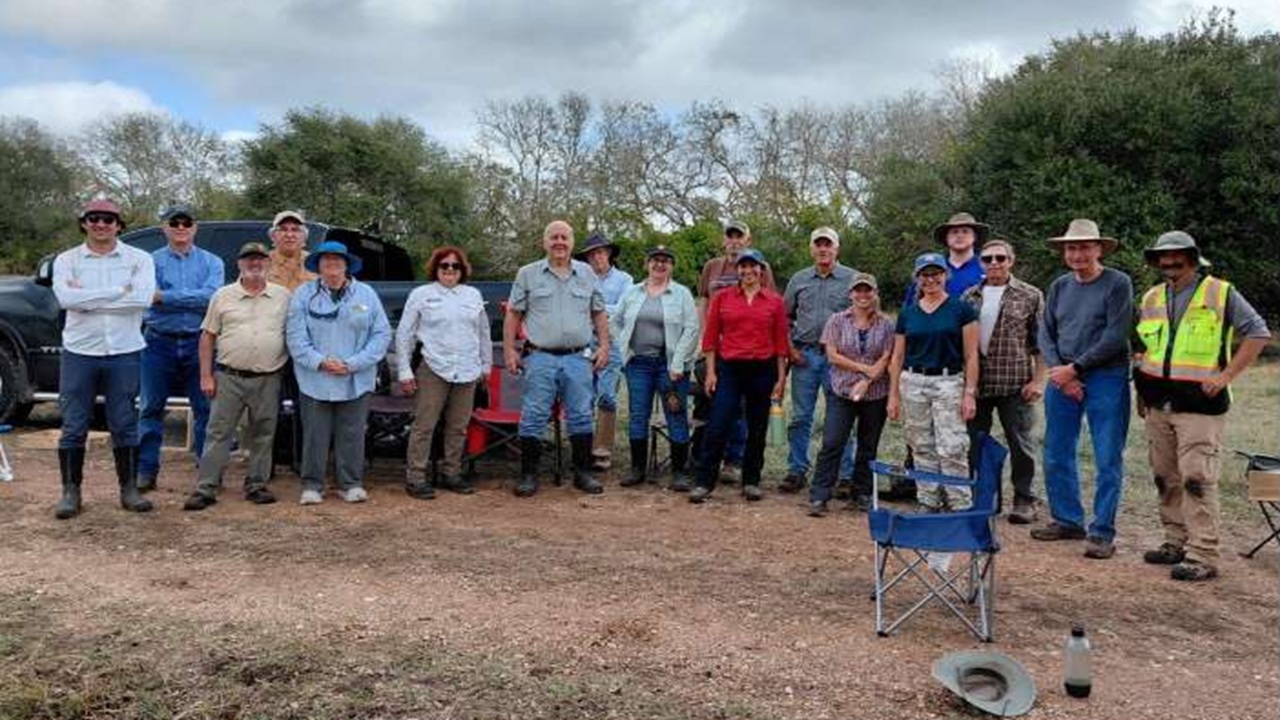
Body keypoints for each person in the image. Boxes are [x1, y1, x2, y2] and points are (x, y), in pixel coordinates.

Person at [1134, 231, 1271, 581]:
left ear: (1193, 258)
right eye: (1163, 256)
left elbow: (1258, 333)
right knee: (1165, 477)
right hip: (1157, 403)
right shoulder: (1151, 297)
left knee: (1198, 479)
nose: (1169, 261)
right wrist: (1141, 394)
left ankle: (1203, 553)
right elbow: (1143, 349)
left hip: (1200, 406)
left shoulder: (1221, 292)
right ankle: (1174, 542)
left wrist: (1226, 377)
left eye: (1177, 255)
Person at [1031, 219, 1133, 560]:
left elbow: (1116, 336)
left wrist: (1077, 369)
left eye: (1085, 247)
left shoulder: (1118, 283)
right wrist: (1064, 373)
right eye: (1071, 248)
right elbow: (1045, 333)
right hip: (1063, 376)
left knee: (1107, 454)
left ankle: (1102, 531)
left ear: (1099, 249)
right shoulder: (1059, 286)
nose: (1077, 254)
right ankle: (1067, 519)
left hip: (1106, 376)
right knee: (1057, 450)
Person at [50, 198, 156, 518]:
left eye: (108, 219)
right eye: (94, 218)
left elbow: (142, 300)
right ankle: (71, 492)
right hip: (80, 351)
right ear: (84, 222)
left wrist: (87, 300)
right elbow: (66, 299)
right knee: (74, 424)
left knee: (124, 423)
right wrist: (118, 292)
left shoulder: (140, 258)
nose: (101, 224)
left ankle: (129, 489)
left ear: (119, 225)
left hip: (124, 350)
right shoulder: (67, 260)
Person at [885, 212, 989, 502]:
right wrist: (893, 395)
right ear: (917, 278)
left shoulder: (962, 309)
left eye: (936, 273)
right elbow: (897, 356)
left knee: (952, 446)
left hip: (948, 382)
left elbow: (971, 356)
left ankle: (958, 503)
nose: (931, 279)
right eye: (925, 274)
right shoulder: (908, 313)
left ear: (945, 275)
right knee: (921, 446)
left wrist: (969, 393)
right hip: (914, 381)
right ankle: (928, 500)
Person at [503, 220, 610, 497]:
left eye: (564, 237)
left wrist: (605, 346)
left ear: (572, 243)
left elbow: (598, 312)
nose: (559, 242)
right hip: (540, 358)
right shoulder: (527, 274)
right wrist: (509, 350)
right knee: (534, 416)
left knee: (581, 415)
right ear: (544, 242)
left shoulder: (587, 273)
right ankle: (529, 475)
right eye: (554, 237)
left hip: (578, 358)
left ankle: (583, 474)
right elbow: (513, 313)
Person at [183, 242, 290, 510]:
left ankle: (257, 484)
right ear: (239, 264)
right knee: (218, 432)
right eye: (249, 260)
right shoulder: (222, 295)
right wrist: (205, 376)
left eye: (260, 260)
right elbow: (207, 337)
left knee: (264, 433)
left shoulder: (283, 296)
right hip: (228, 376)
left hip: (269, 376)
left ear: (268, 263)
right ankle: (206, 486)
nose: (255, 264)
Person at [285, 241, 391, 504]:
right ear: (318, 265)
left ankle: (350, 483)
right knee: (315, 434)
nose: (332, 263)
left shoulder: (365, 294)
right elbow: (295, 338)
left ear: (347, 264)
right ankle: (312, 485)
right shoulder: (303, 295)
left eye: (337, 259)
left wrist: (353, 363)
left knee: (352, 433)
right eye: (326, 259)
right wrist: (321, 362)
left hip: (356, 377)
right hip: (315, 378)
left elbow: (381, 334)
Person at [137, 204, 225, 492]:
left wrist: (165, 296)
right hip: (157, 342)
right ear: (164, 227)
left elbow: (211, 298)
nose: (180, 227)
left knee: (205, 410)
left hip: (199, 343)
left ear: (194, 227)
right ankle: (145, 471)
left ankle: (207, 472)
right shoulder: (149, 261)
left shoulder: (213, 262)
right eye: (174, 222)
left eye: (186, 222)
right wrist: (170, 298)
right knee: (150, 408)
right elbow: (147, 297)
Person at [691, 249, 789, 504]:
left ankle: (752, 480)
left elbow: (781, 343)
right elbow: (711, 338)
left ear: (761, 270)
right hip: (730, 368)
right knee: (718, 424)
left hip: (763, 369)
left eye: (753, 267)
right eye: (743, 267)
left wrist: (781, 379)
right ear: (738, 270)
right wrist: (711, 371)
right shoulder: (723, 298)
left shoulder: (774, 301)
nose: (748, 272)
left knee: (757, 427)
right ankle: (704, 482)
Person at [961, 239, 1045, 524]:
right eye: (987, 259)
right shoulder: (969, 296)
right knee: (976, 442)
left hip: (1015, 381)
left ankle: (1024, 499)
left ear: (1011, 260)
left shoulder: (1030, 295)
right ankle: (983, 498)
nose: (994, 263)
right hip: (978, 382)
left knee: (1021, 442)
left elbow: (1040, 343)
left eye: (1000, 258)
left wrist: (1038, 380)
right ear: (981, 264)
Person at [396, 246, 491, 500]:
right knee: (424, 426)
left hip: (468, 370)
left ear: (462, 270)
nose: (450, 270)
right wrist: (404, 371)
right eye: (444, 265)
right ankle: (416, 478)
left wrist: (486, 366)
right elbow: (405, 334)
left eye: (455, 266)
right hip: (433, 368)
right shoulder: (421, 294)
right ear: (435, 268)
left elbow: (483, 333)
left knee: (458, 427)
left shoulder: (473, 294)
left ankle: (452, 474)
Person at [612, 245, 700, 490]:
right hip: (638, 364)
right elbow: (615, 321)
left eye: (665, 261)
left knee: (675, 414)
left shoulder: (681, 293)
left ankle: (679, 472)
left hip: (669, 366)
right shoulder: (632, 292)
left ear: (671, 266)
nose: (660, 264)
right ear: (647, 264)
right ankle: (637, 468)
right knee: (638, 414)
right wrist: (624, 350)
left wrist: (677, 362)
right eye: (655, 260)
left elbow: (691, 330)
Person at [807, 273, 894, 516]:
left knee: (868, 445)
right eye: (858, 290)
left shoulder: (886, 324)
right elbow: (832, 355)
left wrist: (866, 380)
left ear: (875, 293)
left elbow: (886, 357)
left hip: (876, 393)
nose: (863, 295)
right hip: (842, 390)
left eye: (868, 290)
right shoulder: (836, 320)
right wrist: (864, 369)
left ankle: (861, 493)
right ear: (850, 294)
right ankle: (820, 495)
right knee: (833, 441)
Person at [781, 226, 856, 494]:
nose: (823, 249)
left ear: (837, 248)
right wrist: (790, 349)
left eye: (828, 244)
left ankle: (845, 475)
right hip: (806, 356)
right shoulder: (799, 279)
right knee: (801, 416)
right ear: (811, 248)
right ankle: (797, 469)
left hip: (840, 359)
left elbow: (863, 316)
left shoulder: (852, 279)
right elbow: (785, 318)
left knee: (841, 418)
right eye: (818, 244)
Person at [574, 233, 633, 471]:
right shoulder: (580, 278)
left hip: (613, 343)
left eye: (600, 252)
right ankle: (582, 447)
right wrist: (600, 312)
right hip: (584, 342)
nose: (596, 257)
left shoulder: (625, 280)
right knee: (583, 396)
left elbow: (623, 310)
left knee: (607, 395)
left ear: (608, 253)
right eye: (591, 254)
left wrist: (595, 310)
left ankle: (602, 449)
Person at [266, 210, 317, 291]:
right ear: (273, 236)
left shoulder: (316, 263)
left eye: (295, 230)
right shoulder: (259, 263)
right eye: (283, 229)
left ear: (304, 237)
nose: (289, 235)